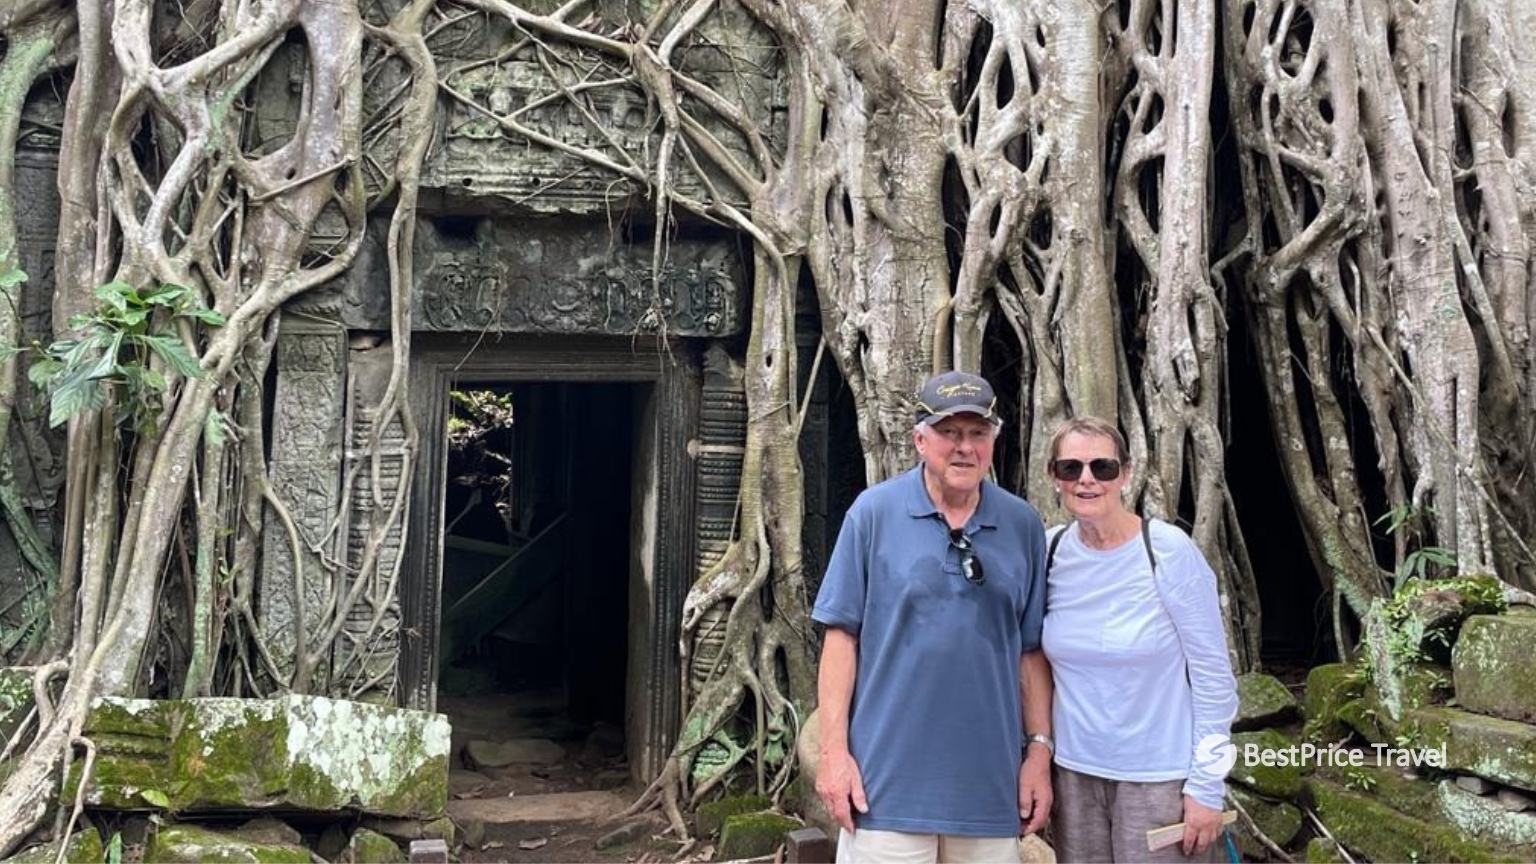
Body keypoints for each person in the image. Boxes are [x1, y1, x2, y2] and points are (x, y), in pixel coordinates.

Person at [812, 370, 1054, 864]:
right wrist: (833, 755)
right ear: (920, 439)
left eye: (978, 433)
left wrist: (1038, 755)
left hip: (988, 791)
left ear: (993, 440)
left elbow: (1030, 652)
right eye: (950, 433)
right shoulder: (873, 513)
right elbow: (841, 639)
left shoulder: (1022, 524)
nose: (964, 447)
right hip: (883, 790)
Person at [1040, 416, 1238, 862]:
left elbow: (1213, 676)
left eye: (1102, 468)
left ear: (1126, 473)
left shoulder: (1166, 550)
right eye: (1071, 468)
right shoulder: (1048, 551)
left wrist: (1206, 785)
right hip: (1074, 775)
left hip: (1159, 777)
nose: (1087, 480)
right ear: (1054, 477)